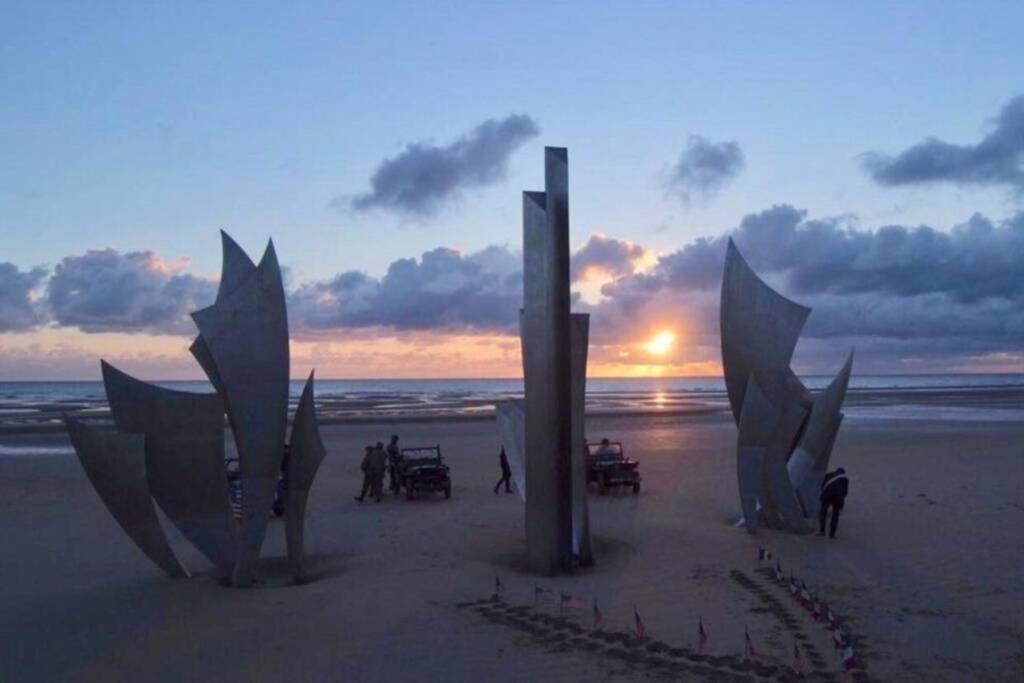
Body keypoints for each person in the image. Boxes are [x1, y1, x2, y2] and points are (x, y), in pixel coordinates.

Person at [819, 468, 849, 538]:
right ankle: (832, 534)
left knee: (823, 514)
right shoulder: (844, 480)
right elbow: (845, 492)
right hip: (837, 498)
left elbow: (823, 486)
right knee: (835, 516)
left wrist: (821, 496)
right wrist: (841, 503)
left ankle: (822, 531)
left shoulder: (828, 475)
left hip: (826, 496)